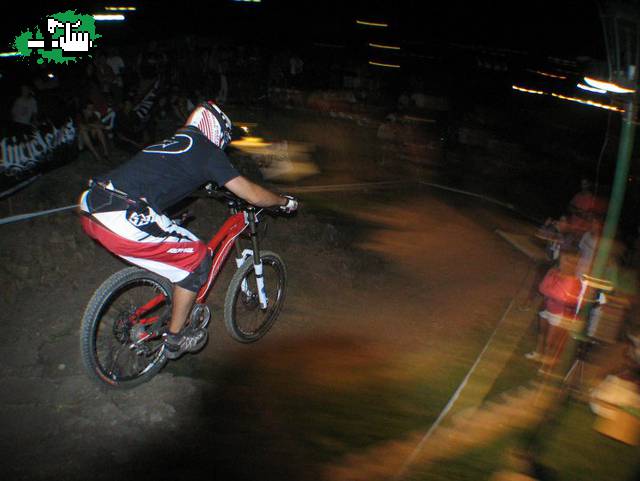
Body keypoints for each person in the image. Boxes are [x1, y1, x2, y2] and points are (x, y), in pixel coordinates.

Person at [79, 101, 298, 360]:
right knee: (197, 259)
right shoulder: (207, 151)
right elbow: (253, 194)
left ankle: (172, 293)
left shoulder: (177, 142)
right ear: (216, 130)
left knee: (175, 239)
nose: (223, 146)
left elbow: (163, 178)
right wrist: (283, 202)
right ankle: (174, 339)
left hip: (91, 205)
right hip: (121, 217)